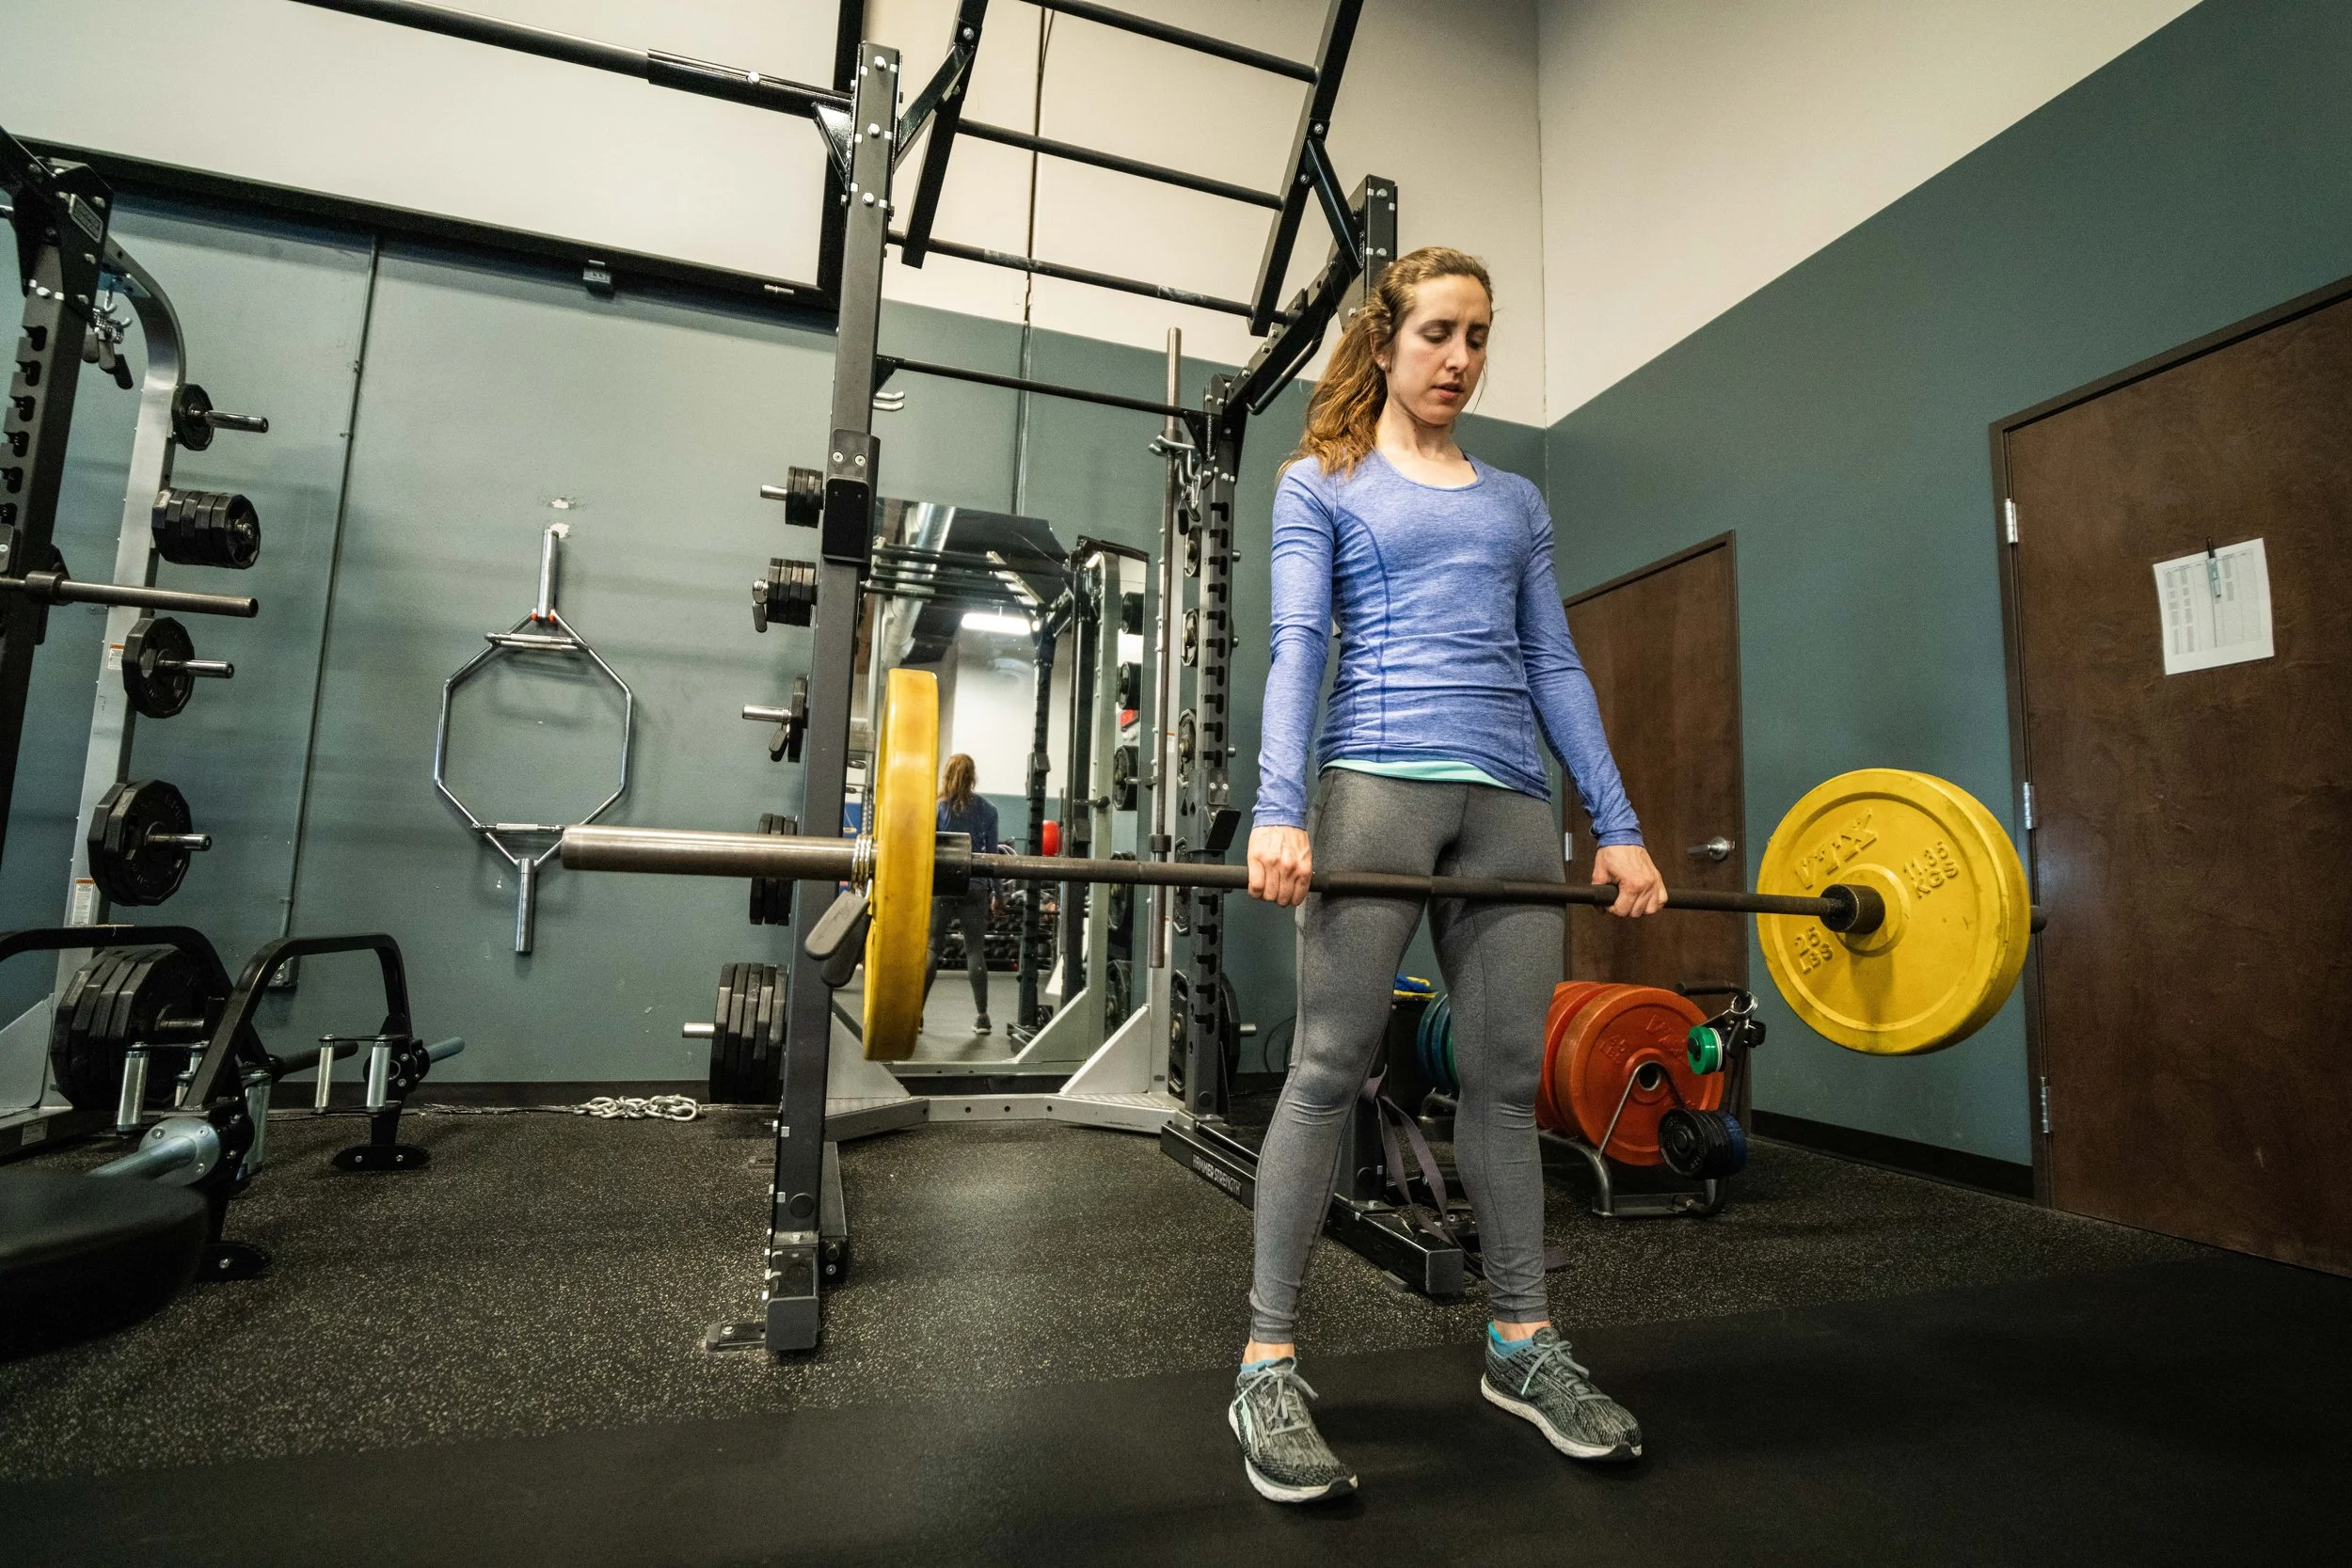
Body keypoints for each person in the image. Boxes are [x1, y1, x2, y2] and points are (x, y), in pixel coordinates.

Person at [1230, 246, 1667, 1504]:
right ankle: (1266, 1357)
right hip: (1373, 784)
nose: (1461, 357)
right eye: (1437, 332)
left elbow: (1559, 666)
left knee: (1504, 1078)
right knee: (1324, 1065)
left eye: (1478, 334)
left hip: (1511, 807)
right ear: (1384, 339)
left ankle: (1523, 1343)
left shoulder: (1516, 500)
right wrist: (1278, 806)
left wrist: (1618, 823)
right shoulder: (1322, 480)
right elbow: (1299, 642)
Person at [925, 753, 1001, 1034]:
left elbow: (926, 854)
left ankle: (917, 1017)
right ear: (973, 776)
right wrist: (999, 895)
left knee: (932, 947)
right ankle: (983, 1017)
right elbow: (993, 858)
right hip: (975, 886)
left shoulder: (937, 808)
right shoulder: (989, 810)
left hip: (943, 887)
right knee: (975, 951)